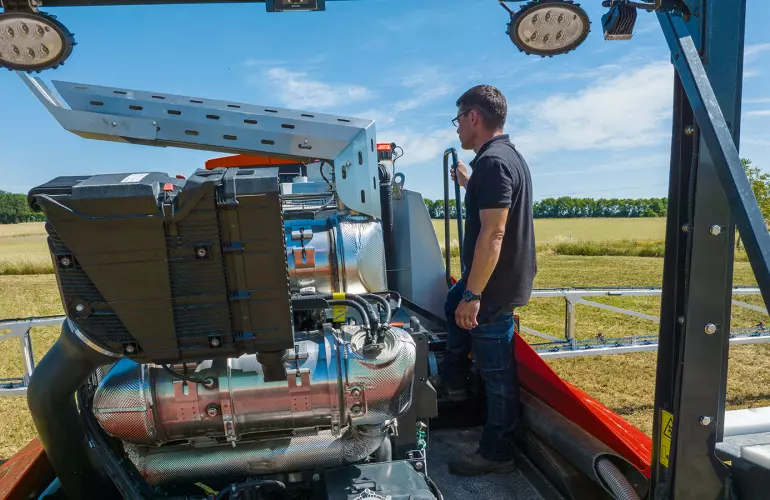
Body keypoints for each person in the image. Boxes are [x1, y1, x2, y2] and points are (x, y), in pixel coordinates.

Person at [440, 84, 537, 476]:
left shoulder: (494, 163)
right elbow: (494, 205)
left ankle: (496, 453)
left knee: (497, 376)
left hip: (493, 289)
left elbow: (494, 234)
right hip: (491, 283)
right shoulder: (499, 160)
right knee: (451, 303)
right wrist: (467, 182)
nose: (458, 129)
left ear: (474, 117)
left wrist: (474, 295)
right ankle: (455, 381)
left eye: (458, 120)